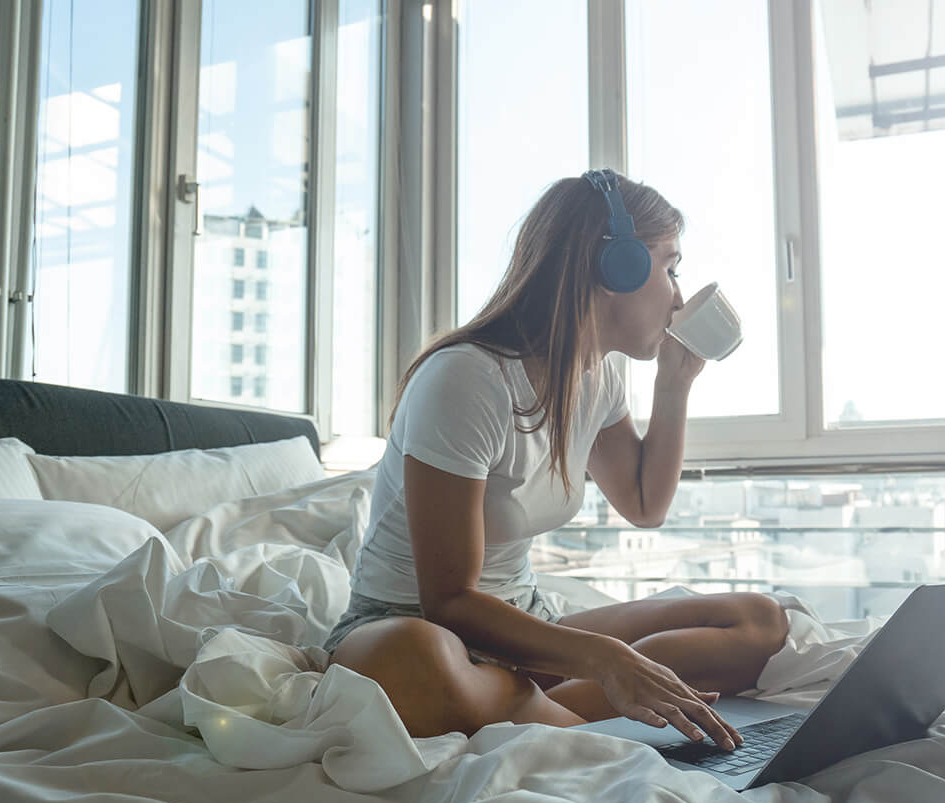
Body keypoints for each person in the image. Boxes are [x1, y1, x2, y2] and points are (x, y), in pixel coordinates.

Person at [325, 171, 789, 749]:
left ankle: (529, 712)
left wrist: (675, 385)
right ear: (613, 266)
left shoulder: (600, 374)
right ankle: (586, 730)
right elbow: (449, 602)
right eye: (669, 267)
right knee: (415, 658)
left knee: (758, 622)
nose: (676, 295)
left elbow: (645, 506)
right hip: (416, 628)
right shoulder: (467, 378)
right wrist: (609, 661)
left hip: (525, 625)